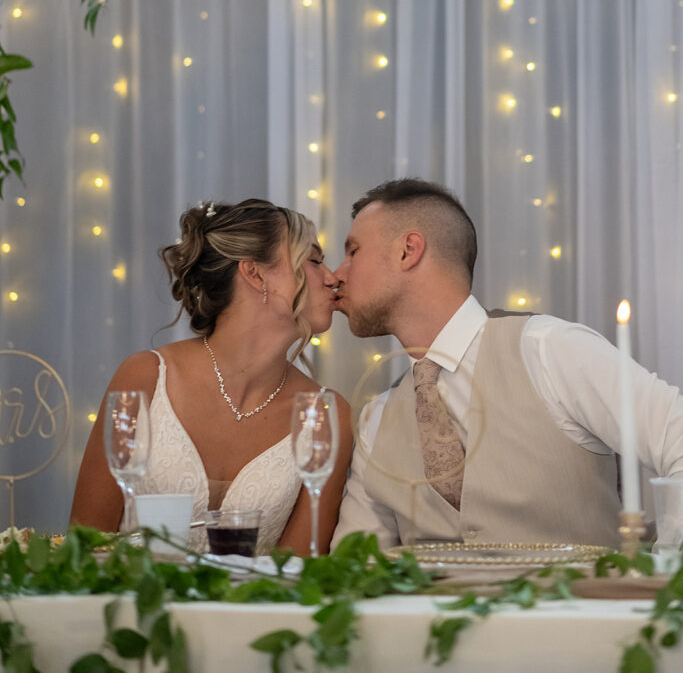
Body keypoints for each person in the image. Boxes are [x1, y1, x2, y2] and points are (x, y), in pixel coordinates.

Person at [330, 178, 683, 550]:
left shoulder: (550, 351)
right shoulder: (377, 419)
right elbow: (357, 565)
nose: (338, 273)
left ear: (409, 250)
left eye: (353, 251)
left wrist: (661, 570)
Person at [71, 198, 353, 554]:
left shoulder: (326, 414)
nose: (333, 278)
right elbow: (85, 546)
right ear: (255, 272)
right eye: (314, 260)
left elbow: (298, 573)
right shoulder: (144, 378)